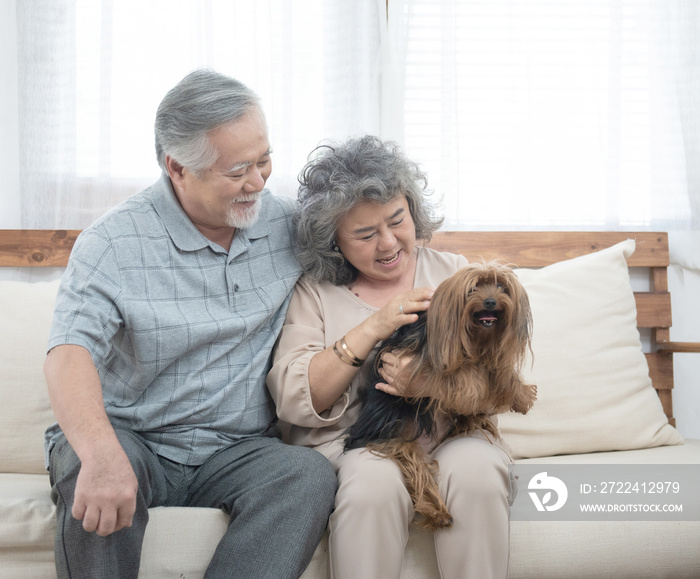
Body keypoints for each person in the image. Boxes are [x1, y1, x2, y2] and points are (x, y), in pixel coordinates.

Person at [43, 69, 336, 579]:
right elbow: (70, 351)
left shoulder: (289, 226)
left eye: (265, 160)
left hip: (238, 449)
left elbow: (371, 256)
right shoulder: (113, 242)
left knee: (305, 474)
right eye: (239, 169)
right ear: (178, 168)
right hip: (133, 436)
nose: (259, 181)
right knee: (94, 463)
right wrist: (100, 451)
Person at [267, 135, 517, 579]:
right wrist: (373, 327)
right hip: (361, 444)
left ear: (412, 210)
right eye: (365, 234)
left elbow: (500, 384)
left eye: (396, 221)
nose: (388, 243)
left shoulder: (455, 275)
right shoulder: (315, 293)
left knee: (476, 469)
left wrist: (429, 384)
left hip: (453, 431)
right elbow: (294, 398)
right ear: (334, 242)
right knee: (370, 484)